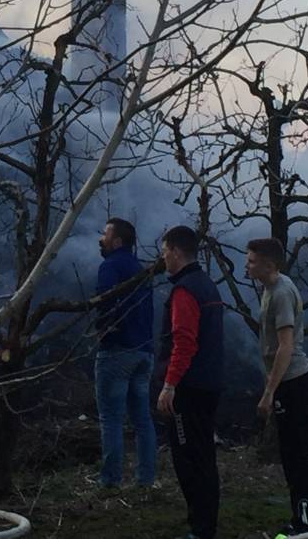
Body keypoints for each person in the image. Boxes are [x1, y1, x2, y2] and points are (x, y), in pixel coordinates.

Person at [246, 237, 308, 536]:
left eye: (252, 261)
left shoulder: (280, 293)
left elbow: (285, 346)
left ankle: (305, 522)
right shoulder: (270, 288)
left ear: (269, 263)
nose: (246, 265)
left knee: (297, 455)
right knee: (292, 454)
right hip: (288, 383)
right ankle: (305, 517)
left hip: (293, 383)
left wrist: (269, 391)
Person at [156, 226, 224, 539]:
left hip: (189, 388)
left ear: (176, 252)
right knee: (204, 457)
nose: (163, 257)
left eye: (164, 251)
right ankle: (205, 524)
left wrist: (169, 385)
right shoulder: (208, 285)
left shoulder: (184, 291)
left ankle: (200, 529)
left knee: (189, 459)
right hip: (210, 383)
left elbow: (184, 342)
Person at [93, 217, 156, 488]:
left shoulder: (110, 266)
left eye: (105, 234)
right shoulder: (141, 270)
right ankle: (146, 479)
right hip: (144, 352)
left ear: (117, 241)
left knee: (111, 418)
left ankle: (110, 481)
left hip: (117, 351)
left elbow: (105, 306)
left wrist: (105, 334)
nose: (101, 239)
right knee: (142, 419)